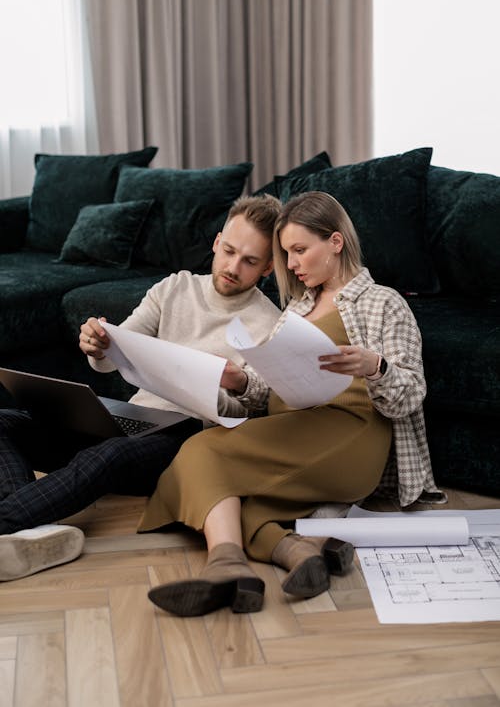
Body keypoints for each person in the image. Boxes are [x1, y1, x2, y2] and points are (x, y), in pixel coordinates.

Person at [139, 190, 443, 617]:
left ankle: (227, 562)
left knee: (199, 451)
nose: (293, 265)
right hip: (293, 426)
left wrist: (375, 366)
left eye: (299, 251)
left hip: (349, 432)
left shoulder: (382, 303)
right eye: (286, 254)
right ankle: (289, 554)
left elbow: (410, 395)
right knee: (235, 503)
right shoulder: (296, 308)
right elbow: (266, 388)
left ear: (335, 242)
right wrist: (240, 378)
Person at [0, 194, 282, 581]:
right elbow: (111, 353)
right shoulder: (174, 288)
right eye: (229, 251)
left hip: (185, 436)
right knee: (4, 420)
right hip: (131, 415)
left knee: (108, 456)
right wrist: (96, 345)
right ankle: (27, 530)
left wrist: (223, 384)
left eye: (249, 261)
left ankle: (7, 520)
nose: (233, 267)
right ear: (217, 242)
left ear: (267, 267)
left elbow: (245, 409)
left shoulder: (269, 323)